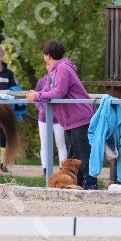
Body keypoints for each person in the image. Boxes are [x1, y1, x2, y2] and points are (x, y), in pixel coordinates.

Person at [26, 40, 96, 188]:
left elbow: (59, 92)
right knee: (71, 156)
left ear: (48, 55)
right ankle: (75, 184)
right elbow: (46, 90)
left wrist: (38, 97)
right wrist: (38, 94)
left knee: (82, 154)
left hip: (80, 117)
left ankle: (90, 183)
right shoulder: (53, 70)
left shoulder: (63, 69)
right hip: (69, 119)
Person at [34, 72, 68, 176]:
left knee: (61, 144)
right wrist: (40, 108)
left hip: (58, 118)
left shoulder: (61, 79)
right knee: (44, 144)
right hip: (44, 118)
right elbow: (36, 96)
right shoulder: (41, 81)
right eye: (47, 65)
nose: (49, 67)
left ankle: (63, 168)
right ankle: (45, 169)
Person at [0, 46, 18, 171]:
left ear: (2, 56)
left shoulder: (9, 73)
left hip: (5, 108)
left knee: (4, 134)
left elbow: (15, 89)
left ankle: (3, 163)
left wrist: (9, 96)